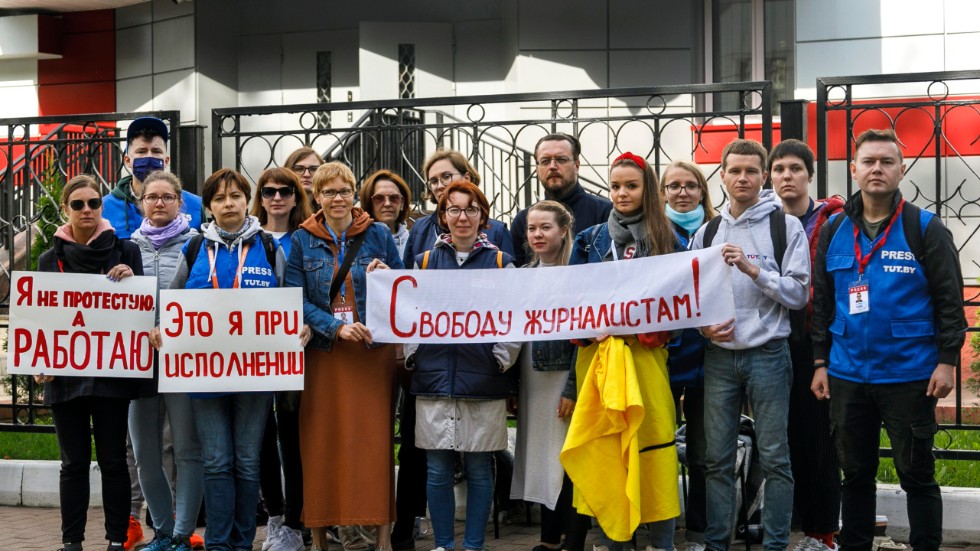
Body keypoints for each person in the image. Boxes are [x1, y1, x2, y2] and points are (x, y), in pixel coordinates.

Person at [811, 129, 967, 551]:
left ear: (901, 169)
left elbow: (950, 301)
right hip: (846, 375)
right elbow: (823, 304)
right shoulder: (835, 231)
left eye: (886, 161)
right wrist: (820, 363)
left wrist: (947, 360)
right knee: (855, 475)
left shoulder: (925, 229)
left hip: (909, 375)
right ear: (854, 169)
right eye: (868, 161)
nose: (876, 168)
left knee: (916, 474)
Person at [152, 168, 299, 551]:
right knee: (217, 461)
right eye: (219, 198)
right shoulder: (196, 247)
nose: (228, 203)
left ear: (246, 200)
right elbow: (171, 304)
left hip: (255, 376)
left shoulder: (268, 247)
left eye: (235, 196)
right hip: (205, 376)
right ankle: (219, 543)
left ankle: (242, 541)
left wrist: (300, 327)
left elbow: (288, 303)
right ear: (209, 206)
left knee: (247, 461)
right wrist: (159, 329)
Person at [688, 139, 810, 551]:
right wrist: (703, 329)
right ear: (720, 175)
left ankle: (775, 544)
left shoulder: (785, 226)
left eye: (751, 171)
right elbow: (690, 297)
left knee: (776, 457)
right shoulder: (707, 230)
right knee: (716, 460)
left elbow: (798, 295)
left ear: (764, 177)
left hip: (769, 354)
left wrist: (754, 270)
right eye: (734, 171)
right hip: (719, 357)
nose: (742, 178)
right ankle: (717, 543)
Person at [393, 151, 514, 551]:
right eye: (453, 209)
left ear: (483, 216)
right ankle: (445, 543)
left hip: (483, 379)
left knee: (480, 467)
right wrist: (413, 354)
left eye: (471, 209)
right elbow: (409, 311)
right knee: (437, 469)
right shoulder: (424, 262)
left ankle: (474, 544)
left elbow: (513, 319)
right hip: (434, 378)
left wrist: (500, 358)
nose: (462, 217)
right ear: (442, 216)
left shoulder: (501, 263)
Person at [285, 161, 403, 551]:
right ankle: (319, 537)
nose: (338, 198)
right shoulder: (302, 239)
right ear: (315, 197)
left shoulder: (379, 233)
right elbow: (295, 300)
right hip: (325, 354)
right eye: (329, 191)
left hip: (371, 353)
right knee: (321, 442)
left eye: (345, 190)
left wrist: (386, 273)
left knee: (374, 443)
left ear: (355, 194)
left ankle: (382, 537)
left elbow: (404, 288)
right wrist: (335, 327)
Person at [566, 152, 680, 551]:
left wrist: (648, 332)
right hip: (597, 362)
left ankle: (662, 544)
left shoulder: (669, 239)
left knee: (654, 450)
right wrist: (586, 331)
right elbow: (570, 306)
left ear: (647, 189)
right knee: (605, 452)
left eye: (631, 186)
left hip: (646, 362)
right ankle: (613, 542)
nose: (622, 193)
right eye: (615, 186)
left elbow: (680, 312)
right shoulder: (589, 239)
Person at [36, 174, 143, 551]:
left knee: (113, 459)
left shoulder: (126, 251)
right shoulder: (50, 258)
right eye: (78, 204)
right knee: (74, 462)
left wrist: (131, 280)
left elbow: (141, 312)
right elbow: (41, 317)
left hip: (111, 374)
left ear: (102, 207)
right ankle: (72, 542)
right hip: (64, 376)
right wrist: (39, 357)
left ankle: (116, 539)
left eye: (94, 203)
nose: (87, 210)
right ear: (66, 209)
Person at [768, 139, 843, 551]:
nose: (786, 177)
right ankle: (792, 521)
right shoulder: (764, 221)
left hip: (816, 340)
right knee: (779, 437)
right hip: (771, 339)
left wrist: (823, 353)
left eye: (795, 169)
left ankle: (822, 531)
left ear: (810, 175)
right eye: (779, 170)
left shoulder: (831, 220)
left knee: (818, 437)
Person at [510, 200, 591, 551]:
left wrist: (572, 388)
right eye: (532, 228)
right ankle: (548, 539)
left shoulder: (581, 276)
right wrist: (511, 386)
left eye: (545, 227)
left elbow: (584, 340)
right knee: (542, 457)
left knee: (569, 456)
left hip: (565, 377)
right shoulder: (522, 274)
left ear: (563, 230)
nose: (537, 235)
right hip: (531, 378)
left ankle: (573, 540)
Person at [128, 171, 203, 551]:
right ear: (141, 202)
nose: (159, 203)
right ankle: (162, 529)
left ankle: (182, 532)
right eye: (151, 197)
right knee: (145, 452)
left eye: (167, 197)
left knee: (188, 449)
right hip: (138, 361)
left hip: (182, 358)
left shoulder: (197, 244)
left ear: (180, 202)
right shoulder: (127, 248)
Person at [251, 167, 313, 551]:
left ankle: (297, 521)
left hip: (295, 350)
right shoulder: (248, 239)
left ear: (295, 196)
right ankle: (275, 516)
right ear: (260, 197)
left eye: (285, 191)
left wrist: (306, 323)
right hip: (253, 352)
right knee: (260, 437)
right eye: (269, 191)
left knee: (293, 437)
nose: (277, 197)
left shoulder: (307, 239)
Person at [659, 160, 717, 551]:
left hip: (710, 358)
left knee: (704, 452)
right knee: (658, 447)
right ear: (662, 192)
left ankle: (699, 531)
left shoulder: (717, 229)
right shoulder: (652, 232)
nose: (682, 192)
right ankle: (660, 527)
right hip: (663, 357)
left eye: (690, 185)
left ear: (702, 191)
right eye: (673, 186)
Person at [510, 133, 613, 265]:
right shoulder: (523, 220)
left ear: (576, 165)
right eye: (545, 161)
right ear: (537, 168)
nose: (552, 166)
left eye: (561, 159)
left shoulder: (605, 212)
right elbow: (517, 277)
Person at [103, 117, 206, 239]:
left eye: (156, 151)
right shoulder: (104, 207)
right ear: (127, 161)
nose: (149, 157)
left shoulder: (194, 205)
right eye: (141, 151)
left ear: (166, 160)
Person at [358, 169, 412, 258]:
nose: (387, 204)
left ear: (402, 203)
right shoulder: (357, 243)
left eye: (394, 198)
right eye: (379, 198)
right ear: (369, 203)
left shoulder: (414, 242)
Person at [284, 146, 324, 212]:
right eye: (299, 169)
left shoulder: (329, 209)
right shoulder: (278, 206)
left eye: (313, 169)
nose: (306, 175)